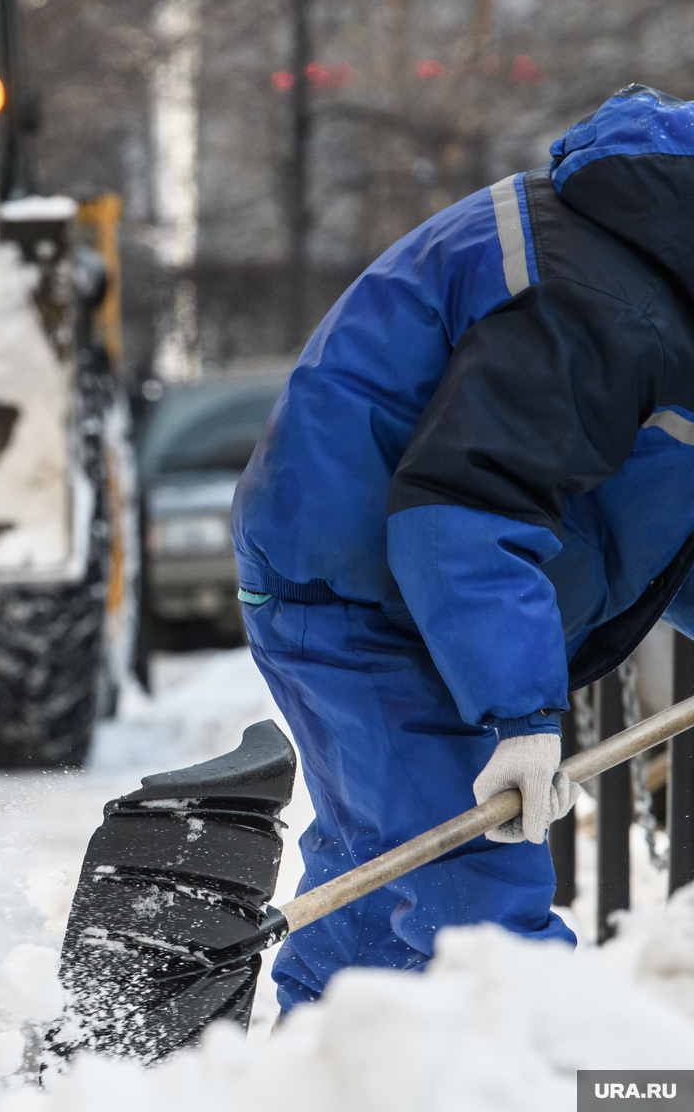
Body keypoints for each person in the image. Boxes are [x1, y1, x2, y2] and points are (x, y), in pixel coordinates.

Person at [231, 84, 694, 1014]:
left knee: (377, 905)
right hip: (360, 600)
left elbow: (661, 508)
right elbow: (463, 509)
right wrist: (517, 714)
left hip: (434, 603)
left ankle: (325, 1078)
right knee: (482, 918)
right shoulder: (602, 299)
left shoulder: (661, 270)